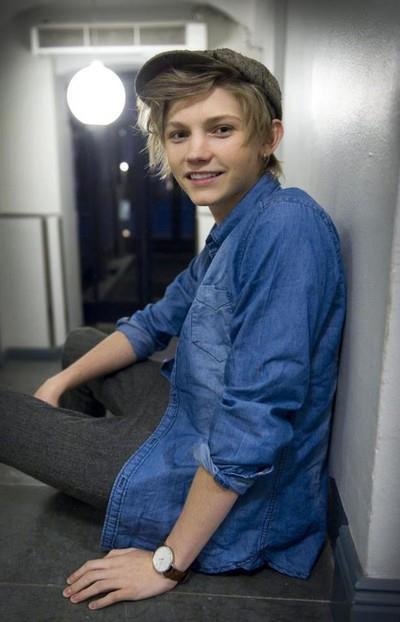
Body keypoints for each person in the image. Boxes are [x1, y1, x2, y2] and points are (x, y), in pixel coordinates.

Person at [0, 48, 346, 610]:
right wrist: (57, 387)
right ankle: (82, 458)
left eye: (221, 129)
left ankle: (113, 481)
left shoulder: (285, 227)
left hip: (208, 477)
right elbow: (154, 323)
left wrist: (168, 561)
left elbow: (253, 419)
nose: (196, 152)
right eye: (179, 134)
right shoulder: (234, 230)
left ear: (269, 137)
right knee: (81, 345)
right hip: (182, 416)